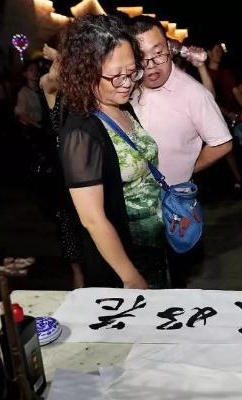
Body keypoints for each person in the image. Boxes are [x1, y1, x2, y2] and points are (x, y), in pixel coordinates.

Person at [59, 14, 167, 289]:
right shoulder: (81, 132)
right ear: (87, 73)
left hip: (155, 247)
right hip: (126, 260)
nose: (128, 83)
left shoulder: (123, 107)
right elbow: (93, 219)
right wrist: (130, 276)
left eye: (132, 72)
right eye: (117, 76)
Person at [128, 16, 233, 288]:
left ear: (169, 48)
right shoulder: (126, 88)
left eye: (158, 53)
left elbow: (222, 142)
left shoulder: (193, 93)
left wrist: (187, 168)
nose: (151, 65)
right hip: (130, 206)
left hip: (170, 206)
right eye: (141, 57)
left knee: (170, 282)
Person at [39, 43, 85, 289]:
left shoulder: (87, 89)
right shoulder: (50, 85)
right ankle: (80, 297)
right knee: (75, 256)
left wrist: (60, 56)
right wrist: (60, 58)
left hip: (92, 172)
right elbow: (51, 81)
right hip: (66, 179)